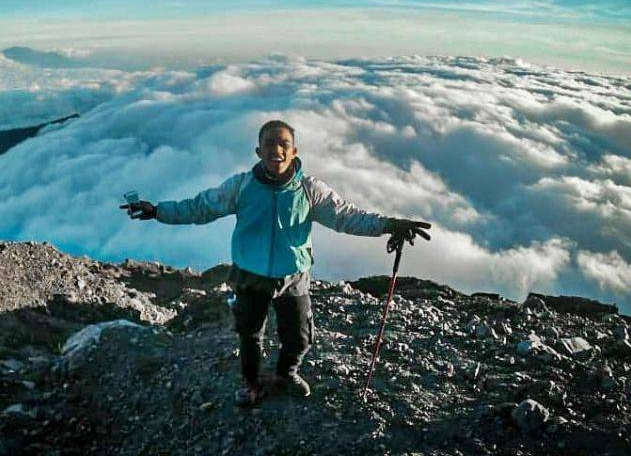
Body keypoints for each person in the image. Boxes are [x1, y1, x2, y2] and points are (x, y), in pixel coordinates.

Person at [122, 119, 431, 406]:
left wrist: (390, 224)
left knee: (299, 337)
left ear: (294, 151)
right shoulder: (241, 186)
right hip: (250, 274)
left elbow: (346, 216)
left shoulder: (309, 190)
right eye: (269, 144)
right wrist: (157, 211)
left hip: (293, 276)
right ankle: (253, 383)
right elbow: (200, 207)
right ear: (259, 151)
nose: (276, 149)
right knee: (250, 335)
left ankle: (286, 374)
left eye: (283, 143)